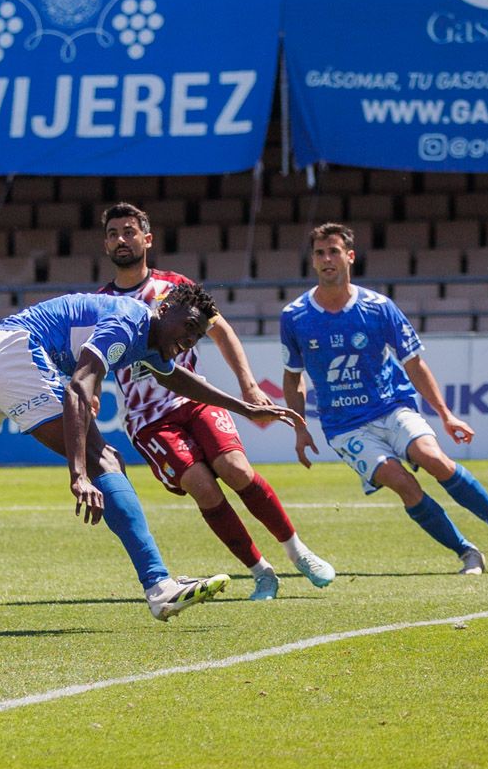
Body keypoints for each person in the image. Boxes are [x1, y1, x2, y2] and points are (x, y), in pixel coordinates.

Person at [0, 286, 305, 621]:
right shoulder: (129, 321)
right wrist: (79, 472)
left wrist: (243, 406)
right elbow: (79, 387)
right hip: (14, 354)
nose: (188, 340)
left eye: (196, 336)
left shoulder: (150, 339)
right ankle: (158, 586)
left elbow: (176, 378)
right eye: (187, 327)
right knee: (106, 461)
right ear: (166, 305)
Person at [98, 202, 335, 600]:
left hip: (196, 400)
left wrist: (248, 385)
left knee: (236, 468)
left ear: (147, 239)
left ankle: (299, 553)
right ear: (105, 245)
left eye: (128, 231)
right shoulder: (102, 303)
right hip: (148, 420)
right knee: (202, 486)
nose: (121, 239)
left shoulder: (175, 287)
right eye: (112, 234)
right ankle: (262, 573)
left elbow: (221, 331)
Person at [280, 223, 488, 574]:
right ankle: (467, 552)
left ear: (350, 256)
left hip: (391, 406)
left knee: (433, 459)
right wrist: (299, 428)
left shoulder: (378, 307)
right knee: (404, 484)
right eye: (320, 253)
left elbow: (414, 364)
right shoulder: (295, 316)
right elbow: (292, 376)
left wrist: (446, 414)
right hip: (344, 426)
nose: (327, 259)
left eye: (334, 251)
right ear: (313, 261)